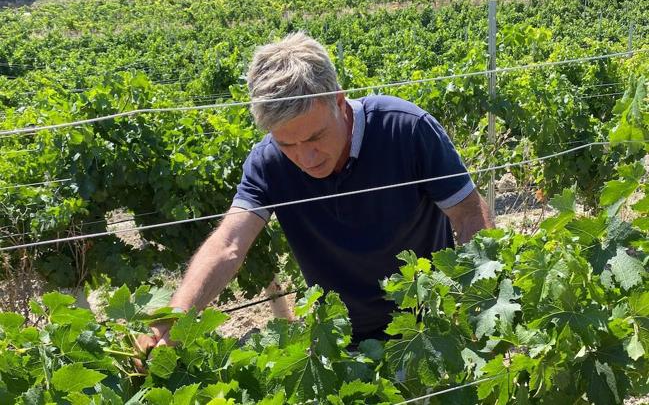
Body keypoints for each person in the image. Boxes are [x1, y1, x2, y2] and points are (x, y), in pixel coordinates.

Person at [138, 31, 494, 354]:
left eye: (314, 137)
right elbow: (228, 244)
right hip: (340, 343)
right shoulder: (268, 162)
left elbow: (469, 215)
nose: (304, 158)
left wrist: (471, 306)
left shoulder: (405, 129)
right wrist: (176, 317)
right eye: (287, 143)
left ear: (339, 102)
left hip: (429, 326)